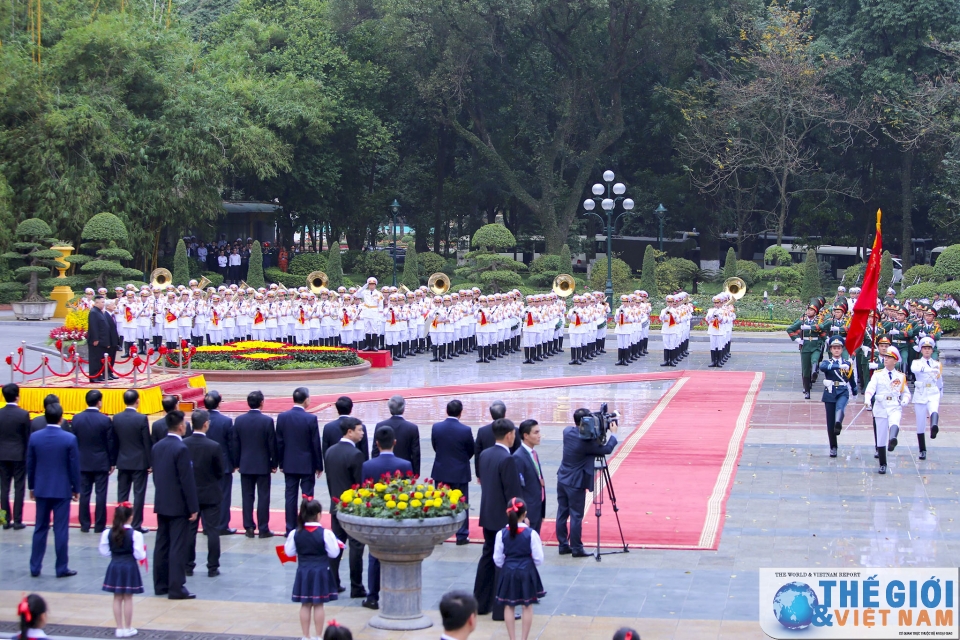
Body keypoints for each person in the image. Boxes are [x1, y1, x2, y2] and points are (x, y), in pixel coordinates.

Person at [474, 418, 523, 620]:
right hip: (503, 517)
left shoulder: (485, 454)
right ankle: (502, 608)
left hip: (487, 514)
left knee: (487, 558)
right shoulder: (508, 459)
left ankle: (479, 603)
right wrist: (519, 518)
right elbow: (513, 494)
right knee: (503, 561)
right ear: (510, 434)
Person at [360, 425, 413, 610]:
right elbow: (409, 492)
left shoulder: (367, 466)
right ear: (395, 443)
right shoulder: (405, 465)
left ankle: (373, 596)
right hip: (399, 518)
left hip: (375, 517)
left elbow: (363, 493)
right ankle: (399, 592)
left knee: (374, 556)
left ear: (377, 443)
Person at [556, 408, 619, 557]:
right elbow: (607, 449)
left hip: (562, 478)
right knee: (576, 516)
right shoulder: (586, 442)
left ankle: (563, 545)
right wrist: (614, 434)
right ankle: (577, 548)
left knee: (562, 513)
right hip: (575, 482)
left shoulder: (567, 432)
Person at [27, 402, 80, 578]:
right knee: (61, 529)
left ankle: (35, 567)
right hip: (61, 489)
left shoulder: (35, 437)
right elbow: (74, 466)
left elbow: (31, 464)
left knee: (40, 528)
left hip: (41, 488)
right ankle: (61, 567)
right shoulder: (69, 438)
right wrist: (76, 488)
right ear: (61, 418)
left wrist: (32, 486)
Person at [151, 410, 199, 599]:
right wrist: (193, 507)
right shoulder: (181, 449)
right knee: (177, 546)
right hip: (178, 505)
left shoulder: (158, 446)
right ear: (180, 426)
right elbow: (186, 481)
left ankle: (160, 583)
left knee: (162, 543)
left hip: (162, 501)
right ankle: (176, 586)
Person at [284, 497, 340, 640]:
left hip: (303, 571)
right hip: (320, 571)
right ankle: (318, 636)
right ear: (318, 514)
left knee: (305, 604)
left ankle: (305, 636)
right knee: (318, 604)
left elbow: (289, 552)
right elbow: (334, 553)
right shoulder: (326, 533)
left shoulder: (295, 533)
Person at [323, 416, 366, 598]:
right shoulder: (356, 455)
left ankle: (333, 583)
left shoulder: (330, 451)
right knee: (356, 547)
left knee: (335, 547)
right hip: (352, 510)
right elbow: (360, 485)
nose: (362, 433)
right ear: (349, 432)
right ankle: (356, 586)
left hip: (336, 507)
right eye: (359, 430)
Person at [494, 498, 544, 640]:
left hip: (508, 570)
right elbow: (539, 558)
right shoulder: (531, 534)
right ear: (525, 514)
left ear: (508, 513)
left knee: (508, 605)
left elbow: (497, 558)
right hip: (526, 570)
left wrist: (507, 564)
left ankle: (512, 638)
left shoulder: (501, 534)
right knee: (527, 605)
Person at [277, 387, 323, 534]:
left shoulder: (282, 417)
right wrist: (318, 465)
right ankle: (307, 526)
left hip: (289, 463)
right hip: (307, 464)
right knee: (308, 496)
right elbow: (315, 444)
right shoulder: (310, 419)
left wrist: (281, 463)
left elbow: (280, 442)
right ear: (306, 400)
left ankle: (290, 528)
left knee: (290, 496)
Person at [183, 410, 224, 577]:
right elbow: (220, 472)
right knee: (213, 531)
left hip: (190, 494)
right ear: (206, 424)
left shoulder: (183, 444)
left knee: (190, 531)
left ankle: (188, 566)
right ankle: (212, 567)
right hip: (210, 493)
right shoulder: (214, 446)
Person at [431, 399, 475, 545]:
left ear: (446, 410)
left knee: (440, 502)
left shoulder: (436, 428)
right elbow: (471, 450)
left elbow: (435, 446)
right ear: (460, 413)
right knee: (461, 504)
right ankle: (462, 535)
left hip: (441, 470)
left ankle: (439, 535)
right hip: (460, 472)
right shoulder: (465, 430)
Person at [99, 503, 146, 638]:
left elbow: (104, 551)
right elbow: (140, 555)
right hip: (129, 566)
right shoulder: (135, 534)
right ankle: (128, 627)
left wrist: (116, 555)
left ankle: (119, 628)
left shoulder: (107, 532)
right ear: (130, 517)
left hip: (115, 564)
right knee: (128, 597)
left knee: (117, 597)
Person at [234, 390, 277, 538]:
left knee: (247, 496)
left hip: (245, 464)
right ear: (262, 403)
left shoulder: (239, 420)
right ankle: (263, 528)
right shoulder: (267, 421)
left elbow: (236, 444)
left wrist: (236, 462)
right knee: (263, 496)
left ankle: (249, 527)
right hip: (263, 464)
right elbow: (272, 444)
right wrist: (274, 463)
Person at [73, 389, 116, 533]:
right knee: (101, 494)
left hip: (82, 461)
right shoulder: (104, 420)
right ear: (99, 402)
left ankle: (84, 524)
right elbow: (110, 442)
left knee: (84, 494)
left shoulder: (76, 418)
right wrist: (112, 462)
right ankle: (99, 525)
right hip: (101, 461)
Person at [864, 347, 910, 474]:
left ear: (895, 360)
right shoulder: (878, 374)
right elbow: (870, 388)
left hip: (894, 404)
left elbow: (906, 392)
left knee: (895, 421)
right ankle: (883, 463)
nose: (886, 359)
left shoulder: (900, 376)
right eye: (885, 357)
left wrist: (905, 400)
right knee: (881, 436)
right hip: (880, 405)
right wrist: (868, 399)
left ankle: (893, 439)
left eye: (889, 357)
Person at [112, 390, 152, 533]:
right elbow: (146, 442)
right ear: (137, 401)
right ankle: (136, 524)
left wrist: (113, 460)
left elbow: (114, 442)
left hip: (122, 461)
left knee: (122, 494)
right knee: (139, 494)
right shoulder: (141, 419)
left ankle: (120, 523)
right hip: (139, 462)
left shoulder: (116, 418)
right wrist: (150, 462)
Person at [203, 391, 238, 535]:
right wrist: (235, 462)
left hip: (204, 464)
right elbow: (231, 444)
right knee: (223, 495)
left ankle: (207, 525)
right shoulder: (226, 421)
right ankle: (222, 525)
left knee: (205, 494)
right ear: (219, 403)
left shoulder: (199, 419)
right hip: (223, 464)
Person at [0, 383, 31, 530]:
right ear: (17, 396)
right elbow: (27, 437)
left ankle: (5, 519)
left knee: (4, 488)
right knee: (19, 488)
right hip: (19, 455)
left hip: (2, 455)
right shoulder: (23, 414)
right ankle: (18, 520)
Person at [819, 338, 857, 458]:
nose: (836, 350)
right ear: (830, 349)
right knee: (830, 423)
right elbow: (823, 368)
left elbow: (851, 378)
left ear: (842, 349)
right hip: (830, 392)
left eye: (838, 348)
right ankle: (833, 446)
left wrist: (855, 389)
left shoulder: (847, 362)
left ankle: (838, 422)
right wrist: (839, 366)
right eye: (834, 348)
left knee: (840, 406)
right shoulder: (827, 362)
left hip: (842, 391)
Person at [371, 395, 421, 476]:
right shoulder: (412, 428)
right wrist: (416, 473)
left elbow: (375, 450)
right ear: (403, 408)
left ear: (389, 408)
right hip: (404, 470)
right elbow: (415, 453)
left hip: (382, 470)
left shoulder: (380, 425)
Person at [786, 302, 826, 399]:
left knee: (815, 359)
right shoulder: (802, 321)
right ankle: (807, 390)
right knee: (805, 369)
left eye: (811, 310)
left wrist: (809, 327)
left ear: (815, 312)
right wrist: (797, 339)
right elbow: (790, 329)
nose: (809, 311)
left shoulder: (819, 320)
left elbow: (822, 328)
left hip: (815, 346)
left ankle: (814, 371)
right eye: (808, 309)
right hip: (805, 347)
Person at [912, 336, 943, 461]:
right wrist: (928, 369)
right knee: (920, 423)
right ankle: (922, 450)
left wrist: (941, 391)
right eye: (924, 348)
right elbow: (914, 370)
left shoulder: (937, 364)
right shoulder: (917, 362)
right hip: (921, 392)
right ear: (921, 350)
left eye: (929, 348)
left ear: (932, 350)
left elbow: (940, 379)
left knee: (934, 410)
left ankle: (934, 426)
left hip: (933, 391)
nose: (927, 350)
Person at [513, 420, 545, 533]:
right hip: (528, 510)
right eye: (536, 433)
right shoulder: (518, 457)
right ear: (526, 435)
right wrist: (522, 514)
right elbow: (517, 487)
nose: (539, 436)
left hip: (537, 507)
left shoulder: (533, 453)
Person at [475, 401, 520, 480]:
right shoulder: (514, 430)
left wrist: (479, 474)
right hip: (509, 471)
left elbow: (478, 454)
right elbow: (518, 452)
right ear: (504, 413)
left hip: (488, 472)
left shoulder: (483, 431)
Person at [322, 397, 369, 461]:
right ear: (351, 409)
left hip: (335, 466)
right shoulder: (360, 426)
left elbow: (325, 452)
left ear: (337, 409)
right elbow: (364, 451)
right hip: (355, 465)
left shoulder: (328, 427)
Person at [88, 295, 109, 381]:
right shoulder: (93, 312)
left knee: (100, 358)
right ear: (96, 302)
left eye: (104, 302)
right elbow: (93, 327)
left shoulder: (99, 311)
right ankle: (94, 376)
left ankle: (99, 375)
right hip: (96, 340)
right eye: (102, 302)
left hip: (102, 340)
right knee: (95, 359)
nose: (103, 304)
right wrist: (95, 339)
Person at [104, 299, 121, 380]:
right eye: (112, 304)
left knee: (113, 357)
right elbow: (106, 330)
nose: (114, 306)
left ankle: (110, 372)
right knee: (109, 357)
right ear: (107, 306)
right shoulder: (105, 315)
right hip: (109, 341)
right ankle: (106, 373)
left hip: (114, 340)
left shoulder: (112, 315)